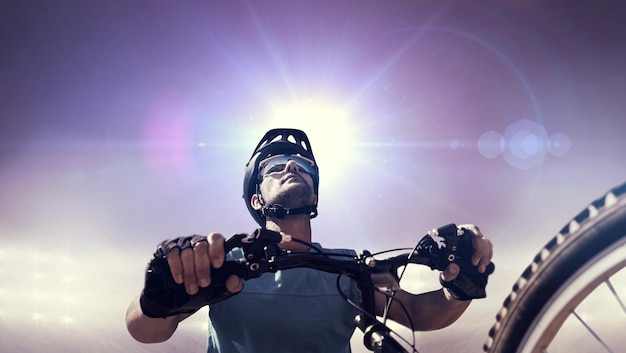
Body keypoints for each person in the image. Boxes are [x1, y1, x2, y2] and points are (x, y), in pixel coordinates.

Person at [126, 128, 494, 353]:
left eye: (303, 166)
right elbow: (144, 331)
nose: (292, 166)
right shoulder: (225, 262)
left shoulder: (349, 268)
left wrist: (460, 284)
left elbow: (420, 314)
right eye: (275, 166)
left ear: (313, 196)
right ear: (257, 200)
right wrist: (156, 303)